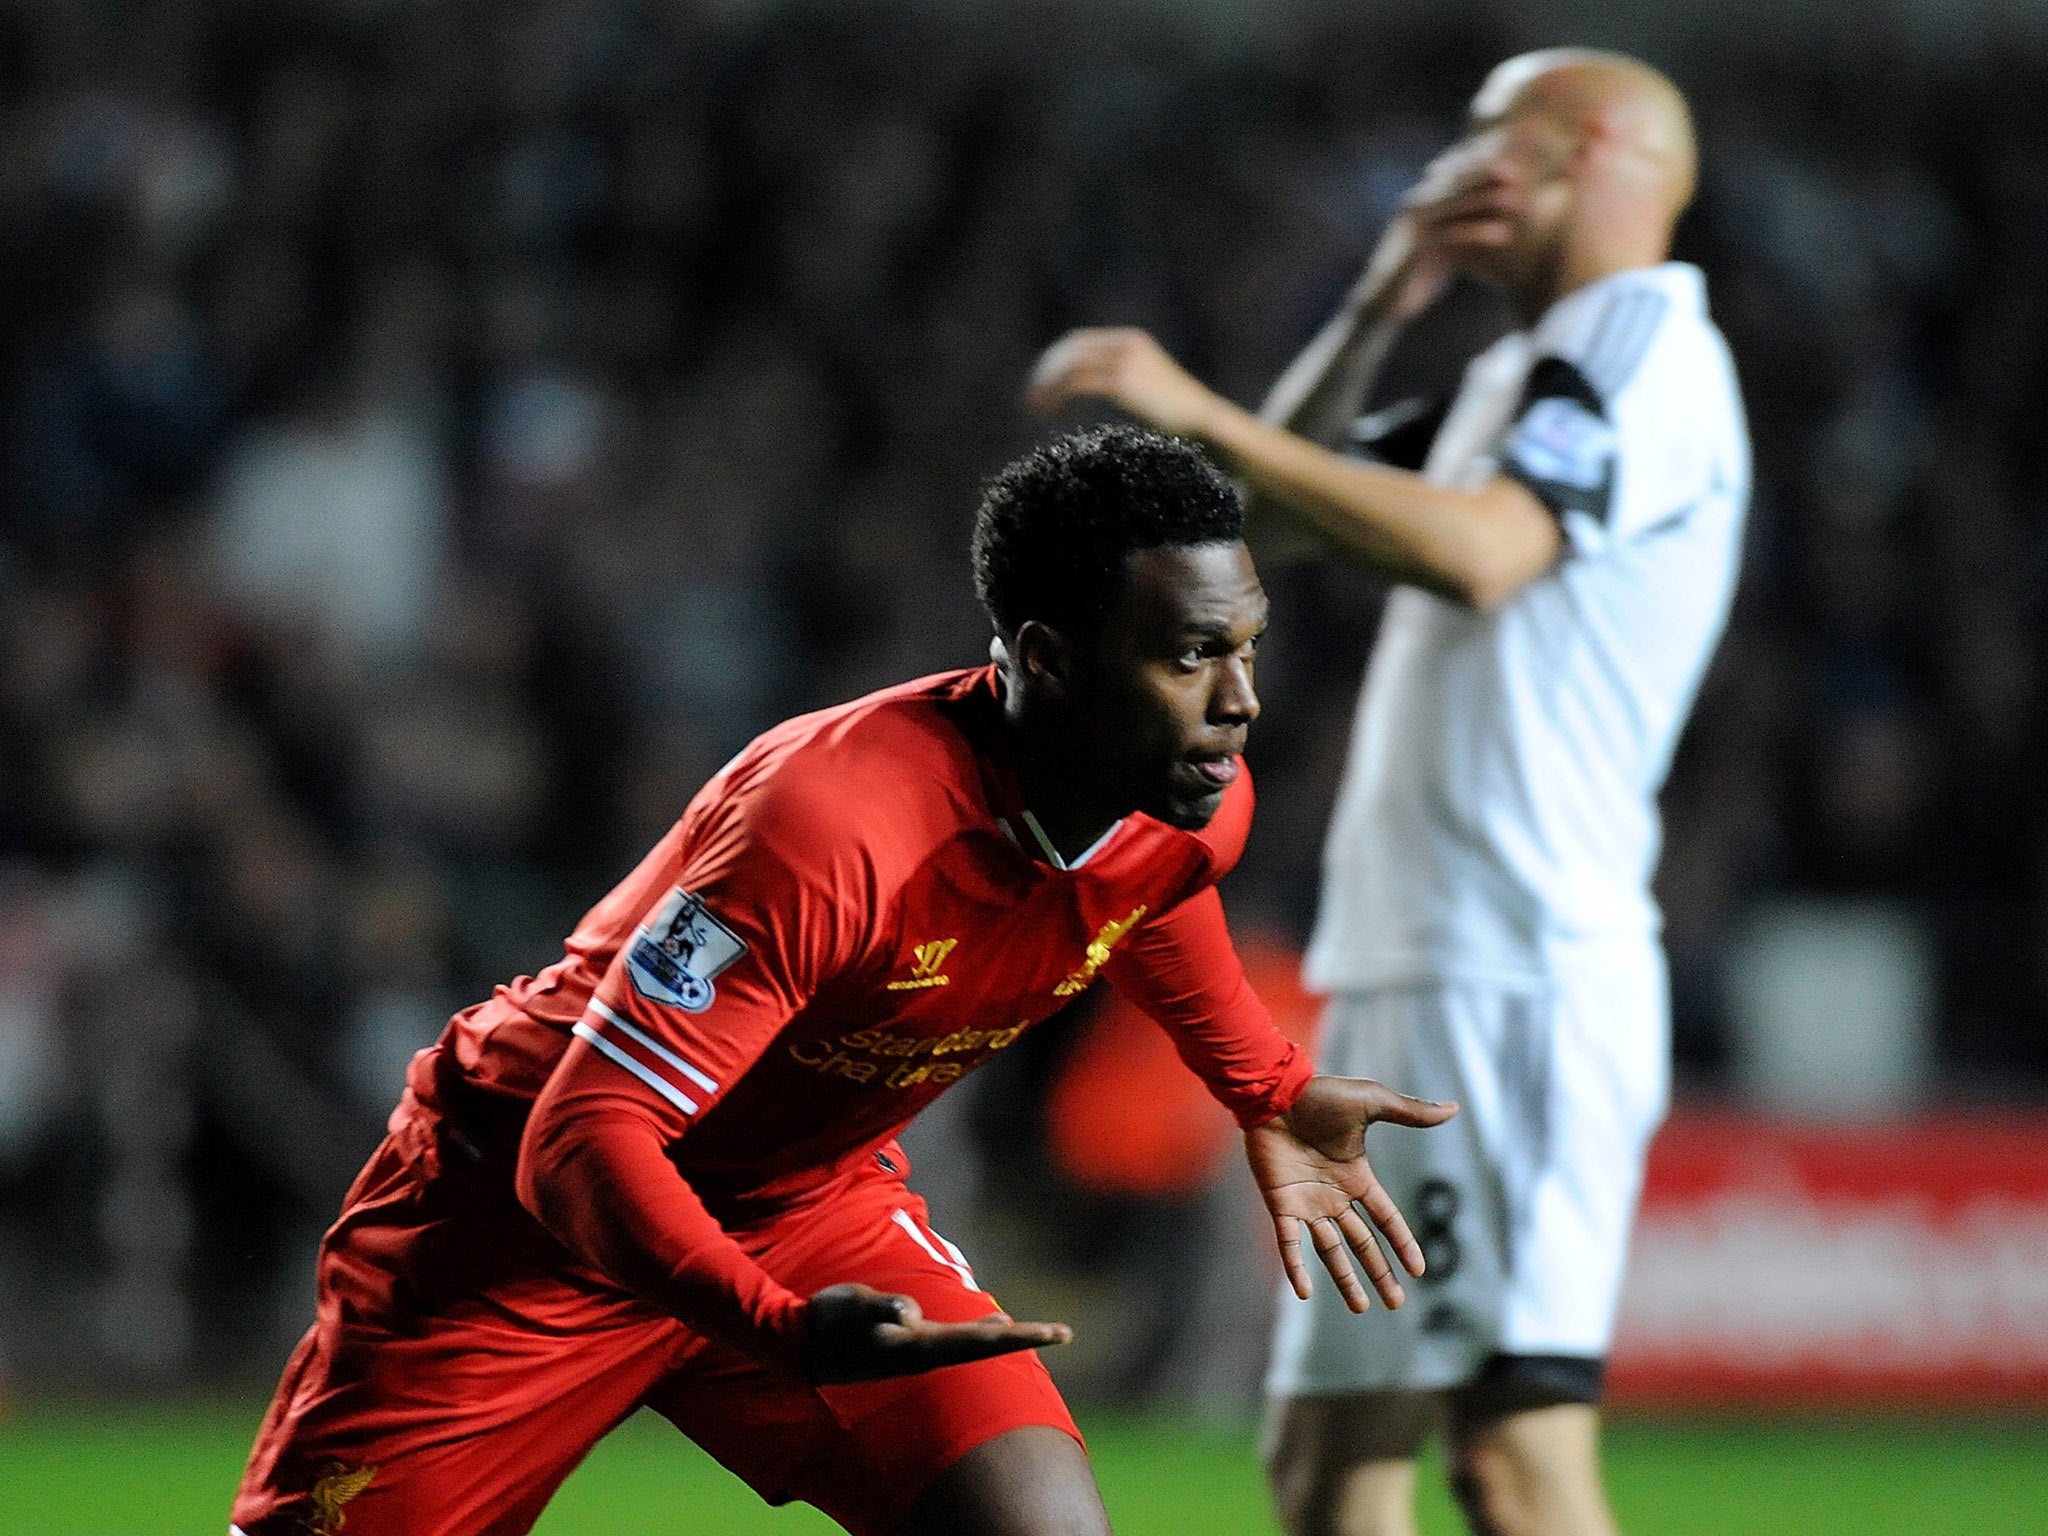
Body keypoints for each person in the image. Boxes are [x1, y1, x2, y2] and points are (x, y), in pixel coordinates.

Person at [230, 424, 1457, 1536]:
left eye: (1245, 649)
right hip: (519, 1228)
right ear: (1049, 660)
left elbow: (1155, 893)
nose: (1240, 703)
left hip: (799, 1208)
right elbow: (581, 1136)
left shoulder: (1186, 795)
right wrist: (765, 1323)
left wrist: (1269, 1084)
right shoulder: (835, 825)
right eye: (1192, 656)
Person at [1027, 51, 1747, 1536]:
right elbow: (1260, 526)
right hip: (1422, 966)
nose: (1450, 168)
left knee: (1512, 1457)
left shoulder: (1644, 348)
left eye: (1489, 138)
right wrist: (1378, 304)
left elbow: (1485, 550)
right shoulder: (1510, 377)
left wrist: (1190, 402)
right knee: (1329, 1465)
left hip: (1519, 969)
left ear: (1589, 149)